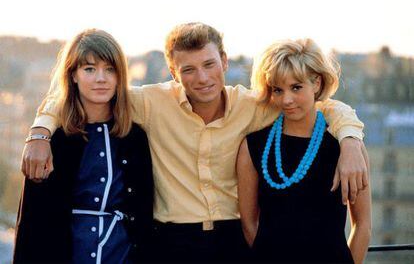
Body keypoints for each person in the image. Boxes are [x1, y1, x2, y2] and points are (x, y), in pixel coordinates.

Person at [21, 23, 367, 262]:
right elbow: (83, 93)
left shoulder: (253, 106)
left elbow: (320, 105)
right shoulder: (151, 103)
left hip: (234, 244)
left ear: (225, 62)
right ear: (173, 72)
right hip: (171, 245)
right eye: (188, 70)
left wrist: (351, 140)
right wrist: (40, 132)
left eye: (209, 64)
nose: (202, 78)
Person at [13, 29, 153, 263]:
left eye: (110, 69)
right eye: (89, 69)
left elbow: (144, 214)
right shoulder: (54, 140)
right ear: (73, 75)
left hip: (119, 254)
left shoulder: (135, 137)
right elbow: (31, 221)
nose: (101, 78)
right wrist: (39, 133)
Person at [237, 39, 372, 263]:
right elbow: (249, 224)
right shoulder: (253, 145)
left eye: (296, 87)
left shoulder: (347, 147)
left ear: (316, 84)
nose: (286, 99)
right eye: (277, 90)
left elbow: (363, 225)